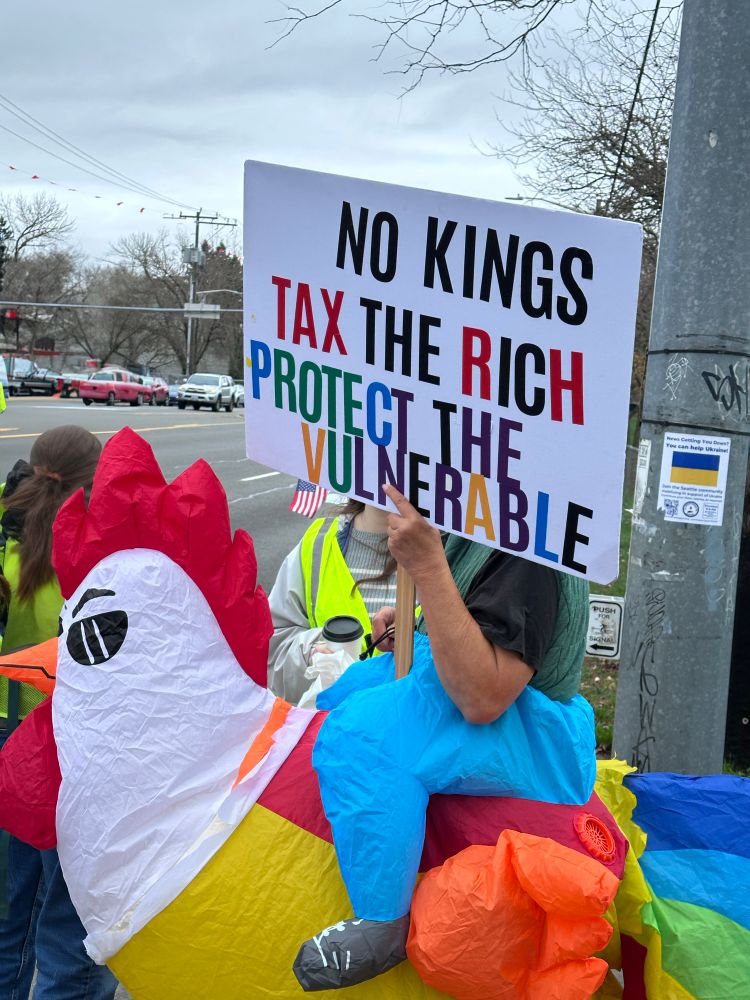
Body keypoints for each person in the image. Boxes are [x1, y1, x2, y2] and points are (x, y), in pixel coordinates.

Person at [293, 483, 596, 992]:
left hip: (531, 729)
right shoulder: (485, 506)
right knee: (338, 696)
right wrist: (415, 626)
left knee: (363, 736)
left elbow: (483, 695)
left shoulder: (527, 534)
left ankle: (382, 920)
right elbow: (481, 618)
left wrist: (429, 568)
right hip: (465, 683)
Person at [0, 425, 117, 1000]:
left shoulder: (4, 535)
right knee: (75, 927)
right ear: (93, 480)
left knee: (9, 916)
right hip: (73, 750)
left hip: (7, 739)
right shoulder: (100, 549)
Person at [268, 500, 397, 704]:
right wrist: (311, 655)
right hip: (332, 731)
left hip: (413, 732)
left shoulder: (453, 551)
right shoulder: (317, 545)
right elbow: (272, 654)